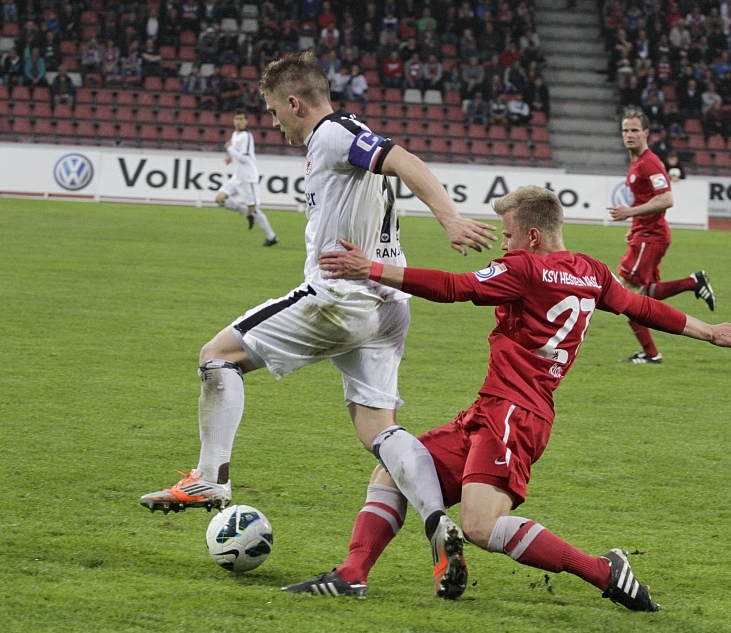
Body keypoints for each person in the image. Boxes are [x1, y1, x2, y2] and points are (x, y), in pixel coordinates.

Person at [139, 53, 496, 600]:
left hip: (339, 297)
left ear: (294, 103)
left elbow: (404, 159)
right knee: (378, 429)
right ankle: (435, 519)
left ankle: (209, 478)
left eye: (273, 111)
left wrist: (449, 218)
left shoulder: (332, 133)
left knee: (217, 356)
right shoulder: (340, 141)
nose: (273, 122)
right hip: (387, 307)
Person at [300, 186, 731, 608]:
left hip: (513, 415)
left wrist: (371, 269)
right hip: (497, 410)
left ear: (533, 236)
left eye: (508, 235)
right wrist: (709, 332)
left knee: (481, 526)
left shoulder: (524, 268)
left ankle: (603, 571)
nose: (503, 245)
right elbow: (642, 307)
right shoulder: (593, 272)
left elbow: (455, 287)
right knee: (391, 472)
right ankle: (352, 573)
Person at [607, 111, 716, 365]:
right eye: (625, 130)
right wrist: (635, 225)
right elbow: (647, 199)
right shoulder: (636, 162)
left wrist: (630, 213)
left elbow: (666, 199)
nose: (629, 135)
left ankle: (651, 354)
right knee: (646, 294)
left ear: (646, 133)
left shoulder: (650, 163)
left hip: (651, 236)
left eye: (635, 130)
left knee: (626, 296)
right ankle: (693, 282)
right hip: (646, 233)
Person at [212, 109, 278, 246]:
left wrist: (230, 149)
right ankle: (246, 212)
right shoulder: (235, 134)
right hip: (237, 177)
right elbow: (238, 154)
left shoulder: (246, 136)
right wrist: (231, 157)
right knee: (219, 199)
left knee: (254, 208)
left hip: (248, 178)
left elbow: (244, 157)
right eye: (237, 119)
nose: (239, 122)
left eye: (242, 119)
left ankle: (271, 237)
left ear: (247, 121)